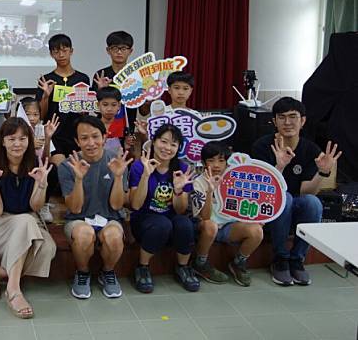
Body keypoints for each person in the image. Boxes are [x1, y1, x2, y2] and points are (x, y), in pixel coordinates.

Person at [252, 97, 341, 286]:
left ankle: (297, 259)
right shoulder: (261, 146)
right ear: (274, 121)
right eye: (282, 117)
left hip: (296, 203)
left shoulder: (310, 149)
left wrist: (322, 172)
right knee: (284, 198)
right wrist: (279, 166)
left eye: (293, 117)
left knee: (312, 202)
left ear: (303, 121)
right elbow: (262, 189)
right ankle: (280, 259)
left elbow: (308, 190)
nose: (288, 122)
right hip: (268, 207)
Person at [0, 117, 56, 319]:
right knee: (26, 221)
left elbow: (35, 207)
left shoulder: (35, 164)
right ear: (2, 141)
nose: (17, 144)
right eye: (11, 139)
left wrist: (42, 184)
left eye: (22, 138)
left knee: (48, 248)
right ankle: (13, 289)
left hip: (27, 221)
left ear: (29, 141)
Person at [58, 115, 131, 299]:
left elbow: (116, 205)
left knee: (114, 236)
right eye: (84, 138)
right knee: (84, 234)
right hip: (78, 219)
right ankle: (83, 273)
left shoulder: (117, 162)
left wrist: (118, 177)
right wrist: (79, 179)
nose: (91, 143)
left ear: (104, 137)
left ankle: (107, 272)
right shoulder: (68, 165)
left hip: (110, 218)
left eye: (95, 136)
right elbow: (75, 209)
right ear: (77, 141)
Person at [129, 124, 199, 293]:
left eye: (173, 144)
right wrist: (146, 176)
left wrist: (178, 190)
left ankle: (183, 267)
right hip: (144, 219)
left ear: (178, 148)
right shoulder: (140, 166)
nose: (167, 148)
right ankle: (142, 267)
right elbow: (135, 205)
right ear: (154, 142)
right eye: (163, 141)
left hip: (170, 219)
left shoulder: (182, 169)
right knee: (161, 224)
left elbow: (181, 209)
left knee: (185, 223)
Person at [190, 141, 264, 286]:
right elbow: (204, 217)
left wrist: (258, 217)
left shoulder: (237, 179)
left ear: (227, 162)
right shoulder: (198, 182)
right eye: (211, 160)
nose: (216, 165)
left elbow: (253, 199)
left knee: (257, 230)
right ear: (204, 163)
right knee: (210, 225)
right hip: (206, 228)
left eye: (221, 160)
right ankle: (200, 263)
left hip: (230, 226)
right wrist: (210, 190)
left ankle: (238, 263)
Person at [36, 33, 90, 166]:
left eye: (64, 50)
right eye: (56, 51)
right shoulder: (46, 80)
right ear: (51, 54)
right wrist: (46, 96)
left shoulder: (82, 79)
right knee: (60, 170)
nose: (61, 55)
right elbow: (41, 115)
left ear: (71, 51)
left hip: (76, 134)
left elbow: (86, 113)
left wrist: (83, 108)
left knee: (77, 171)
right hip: (55, 135)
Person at [18, 97, 59, 222]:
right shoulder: (14, 128)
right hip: (20, 166)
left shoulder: (41, 129)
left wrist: (47, 138)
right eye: (28, 114)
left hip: (37, 166)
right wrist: (29, 145)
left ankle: (43, 205)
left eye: (35, 114)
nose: (32, 118)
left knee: (51, 170)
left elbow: (47, 158)